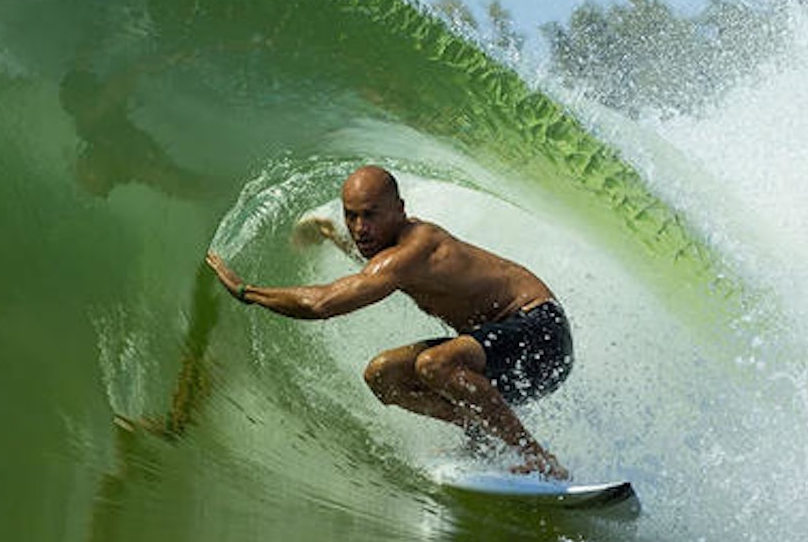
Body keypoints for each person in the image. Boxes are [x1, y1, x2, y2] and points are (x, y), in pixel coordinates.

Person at [205, 165, 573, 479]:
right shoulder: (392, 255)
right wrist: (332, 234)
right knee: (383, 376)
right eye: (350, 216)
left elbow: (324, 303)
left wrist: (245, 291)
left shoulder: (417, 246)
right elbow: (374, 273)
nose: (360, 227)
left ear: (399, 209)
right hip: (499, 356)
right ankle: (479, 428)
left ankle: (534, 455)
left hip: (541, 334)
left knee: (436, 363)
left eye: (370, 214)